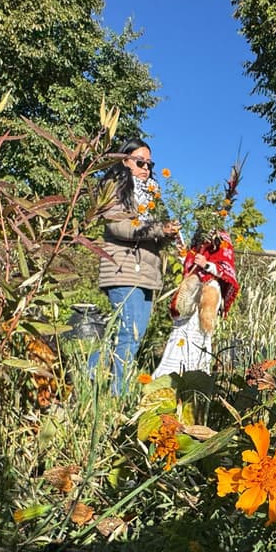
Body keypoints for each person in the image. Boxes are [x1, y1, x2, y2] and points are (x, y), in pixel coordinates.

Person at [93, 137, 180, 389]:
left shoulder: (152, 196)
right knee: (129, 336)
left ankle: (87, 374)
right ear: (125, 160)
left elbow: (153, 237)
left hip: (146, 274)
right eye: (140, 162)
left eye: (150, 164)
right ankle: (116, 394)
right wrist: (157, 228)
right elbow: (119, 226)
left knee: (128, 336)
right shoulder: (115, 187)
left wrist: (167, 233)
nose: (146, 169)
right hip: (123, 270)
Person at [152, 228, 239, 378]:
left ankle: (196, 374)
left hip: (209, 290)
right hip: (191, 290)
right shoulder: (197, 247)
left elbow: (226, 270)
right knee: (182, 330)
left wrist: (207, 265)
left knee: (198, 330)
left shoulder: (223, 242)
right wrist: (184, 256)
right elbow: (190, 267)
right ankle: (171, 373)